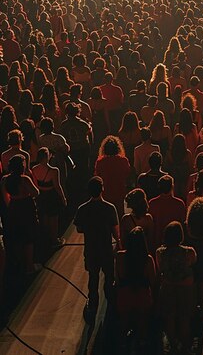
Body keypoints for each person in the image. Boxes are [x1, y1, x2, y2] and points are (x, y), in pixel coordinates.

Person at [74, 176, 119, 319]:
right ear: (102, 189)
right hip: (106, 249)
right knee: (109, 277)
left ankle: (92, 304)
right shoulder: (110, 208)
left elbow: (79, 229)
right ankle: (111, 302)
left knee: (93, 278)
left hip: (91, 249)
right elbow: (115, 231)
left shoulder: (82, 208)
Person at [156, 221, 197, 353]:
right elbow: (193, 262)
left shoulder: (160, 253)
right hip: (185, 289)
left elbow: (160, 268)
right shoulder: (189, 252)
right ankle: (185, 344)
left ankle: (172, 344)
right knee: (184, 316)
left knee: (170, 317)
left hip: (168, 288)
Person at [115, 226, 156, 345]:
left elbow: (117, 279)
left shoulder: (120, 256)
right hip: (142, 295)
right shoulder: (148, 260)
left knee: (123, 325)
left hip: (124, 295)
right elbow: (153, 281)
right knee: (143, 326)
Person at [1, 154, 39, 274]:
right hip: (25, 206)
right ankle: (29, 266)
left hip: (13, 206)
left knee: (17, 236)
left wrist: (11, 205)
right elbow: (35, 193)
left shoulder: (5, 179)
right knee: (28, 237)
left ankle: (20, 263)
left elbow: (4, 196)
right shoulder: (24, 179)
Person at [32, 147, 67, 248]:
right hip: (52, 196)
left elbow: (36, 185)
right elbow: (57, 186)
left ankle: (46, 239)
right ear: (47, 157)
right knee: (54, 219)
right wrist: (63, 197)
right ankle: (54, 239)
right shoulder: (54, 170)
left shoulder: (34, 169)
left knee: (44, 218)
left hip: (41, 196)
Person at [94, 136, 131, 218]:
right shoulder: (123, 160)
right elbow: (127, 173)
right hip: (119, 191)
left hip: (106, 193)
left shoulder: (100, 162)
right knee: (119, 215)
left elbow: (97, 176)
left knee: (106, 216)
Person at [149, 174, 186, 249]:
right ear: (172, 187)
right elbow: (183, 223)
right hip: (175, 242)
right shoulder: (179, 204)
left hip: (157, 242)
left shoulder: (152, 203)